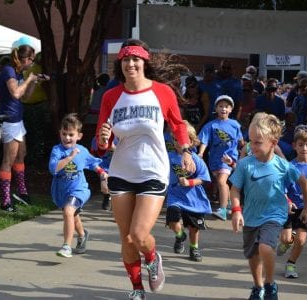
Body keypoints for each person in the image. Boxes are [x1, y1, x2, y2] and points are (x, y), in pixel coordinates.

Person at [96, 38, 196, 300]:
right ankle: (137, 288)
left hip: (153, 169)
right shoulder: (111, 96)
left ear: (144, 62)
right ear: (121, 64)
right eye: (126, 59)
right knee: (126, 239)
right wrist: (104, 139)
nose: (131, 63)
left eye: (135, 59)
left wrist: (185, 150)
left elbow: (177, 124)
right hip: (120, 171)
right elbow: (101, 145)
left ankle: (152, 259)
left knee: (139, 235)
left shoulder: (162, 92)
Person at [229, 113, 307, 300]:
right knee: (252, 256)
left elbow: (304, 182)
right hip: (251, 216)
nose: (252, 146)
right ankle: (258, 286)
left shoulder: (282, 165)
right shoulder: (245, 164)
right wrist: (236, 210)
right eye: (250, 141)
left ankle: (270, 284)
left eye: (257, 142)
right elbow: (234, 189)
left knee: (265, 248)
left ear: (273, 143)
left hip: (274, 215)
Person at [0, 36, 48, 212]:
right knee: (8, 160)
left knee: (21, 155)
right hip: (9, 120)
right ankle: (5, 201)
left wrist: (33, 82)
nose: (32, 63)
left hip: (17, 120)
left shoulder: (17, 73)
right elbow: (16, 93)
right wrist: (28, 79)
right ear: (23, 58)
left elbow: (24, 97)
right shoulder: (9, 71)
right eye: (31, 59)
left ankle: (22, 192)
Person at [49, 113, 108, 258]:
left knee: (69, 211)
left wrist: (102, 173)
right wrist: (70, 157)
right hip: (61, 191)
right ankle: (82, 235)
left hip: (79, 189)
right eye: (64, 134)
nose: (67, 138)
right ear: (60, 133)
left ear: (79, 136)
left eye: (71, 134)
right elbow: (53, 169)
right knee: (73, 215)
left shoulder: (82, 151)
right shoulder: (57, 150)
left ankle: (66, 246)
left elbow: (93, 163)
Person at [276, 125, 307, 279]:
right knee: (286, 238)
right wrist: (287, 200)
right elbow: (282, 188)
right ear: (294, 146)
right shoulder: (290, 167)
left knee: (302, 239)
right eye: (301, 145)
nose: (304, 148)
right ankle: (287, 241)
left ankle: (291, 263)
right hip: (291, 206)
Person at [166, 121, 212, 262]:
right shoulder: (169, 157)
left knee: (194, 226)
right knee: (172, 220)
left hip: (193, 198)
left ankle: (194, 248)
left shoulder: (196, 159)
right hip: (175, 196)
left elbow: (204, 178)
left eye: (180, 140)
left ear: (191, 141)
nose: (177, 143)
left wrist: (189, 182)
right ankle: (180, 236)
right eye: (175, 139)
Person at [198, 95, 243, 221]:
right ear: (216, 108)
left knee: (222, 182)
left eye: (226, 107)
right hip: (215, 159)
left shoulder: (235, 124)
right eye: (221, 106)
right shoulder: (211, 125)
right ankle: (227, 203)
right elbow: (204, 141)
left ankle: (222, 210)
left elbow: (241, 141)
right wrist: (201, 153)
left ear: (231, 110)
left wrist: (244, 150)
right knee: (219, 182)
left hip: (228, 159)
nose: (224, 109)